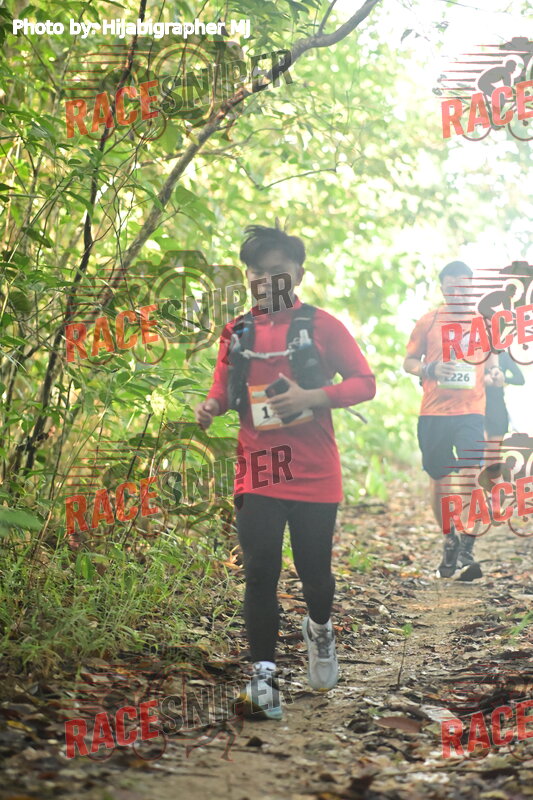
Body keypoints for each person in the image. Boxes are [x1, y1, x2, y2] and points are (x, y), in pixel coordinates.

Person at [194, 225, 376, 719]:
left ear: (298, 273)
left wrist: (312, 397)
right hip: (258, 470)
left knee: (315, 575)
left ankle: (319, 628)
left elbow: (364, 383)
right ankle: (264, 681)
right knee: (259, 572)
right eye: (255, 272)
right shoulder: (237, 331)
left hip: (315, 472)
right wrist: (210, 407)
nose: (264, 280)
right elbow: (222, 388)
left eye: (275, 271)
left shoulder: (323, 326)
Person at [403, 261, 503, 581]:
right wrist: (430, 369)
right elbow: (408, 362)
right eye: (452, 288)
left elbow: (492, 364)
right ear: (443, 289)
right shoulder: (428, 321)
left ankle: (467, 546)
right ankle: (449, 539)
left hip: (471, 411)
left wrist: (495, 374)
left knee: (472, 475)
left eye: (464, 288)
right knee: (439, 480)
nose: (458, 294)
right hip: (433, 414)